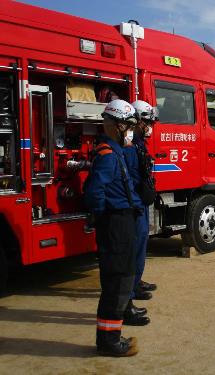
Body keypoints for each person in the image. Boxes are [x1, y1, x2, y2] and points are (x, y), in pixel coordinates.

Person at [85, 99, 142, 357]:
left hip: (123, 222)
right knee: (116, 284)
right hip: (115, 223)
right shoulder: (107, 155)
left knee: (123, 279)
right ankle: (108, 343)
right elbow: (94, 191)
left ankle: (112, 337)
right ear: (118, 125)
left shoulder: (116, 150)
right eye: (129, 126)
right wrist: (102, 218)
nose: (132, 131)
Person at [123, 100, 158, 309]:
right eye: (146, 121)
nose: (149, 126)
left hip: (141, 201)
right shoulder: (128, 146)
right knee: (135, 246)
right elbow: (128, 178)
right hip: (134, 203)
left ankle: (136, 281)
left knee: (141, 244)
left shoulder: (138, 143)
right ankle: (131, 287)